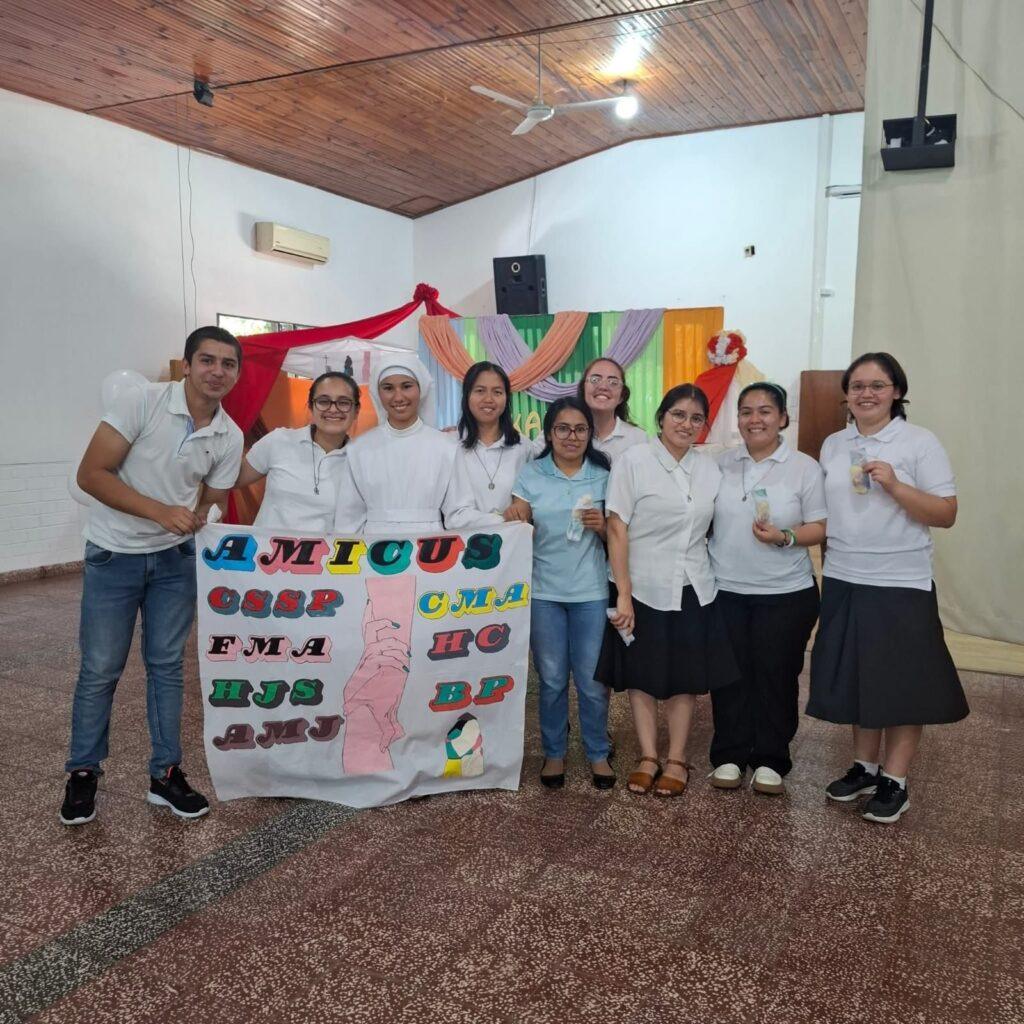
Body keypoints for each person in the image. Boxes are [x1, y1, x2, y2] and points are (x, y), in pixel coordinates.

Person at [60, 326, 244, 826]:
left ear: (237, 374)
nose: (217, 371)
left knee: (166, 667)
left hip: (173, 562)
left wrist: (203, 516)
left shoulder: (229, 435)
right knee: (100, 668)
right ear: (188, 364)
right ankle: (82, 772)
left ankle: (165, 774)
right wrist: (160, 511)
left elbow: (213, 496)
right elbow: (90, 474)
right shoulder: (141, 402)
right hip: (113, 555)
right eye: (207, 360)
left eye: (228, 364)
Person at [807, 352, 967, 824]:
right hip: (844, 576)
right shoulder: (834, 444)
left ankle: (895, 780)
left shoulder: (919, 442)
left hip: (900, 581)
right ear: (846, 394)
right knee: (859, 676)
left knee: (902, 683)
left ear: (896, 391)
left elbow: (946, 513)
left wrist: (895, 485)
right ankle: (865, 767)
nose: (866, 394)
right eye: (857, 385)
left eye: (877, 385)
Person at [597, 384, 738, 797]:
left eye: (696, 418)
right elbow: (616, 527)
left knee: (685, 677)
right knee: (641, 674)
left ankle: (676, 758)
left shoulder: (709, 469)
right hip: (641, 585)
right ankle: (647, 756)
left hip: (694, 585)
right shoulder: (634, 461)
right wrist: (624, 594)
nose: (686, 424)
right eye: (678, 414)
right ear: (661, 417)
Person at [707, 383, 826, 795]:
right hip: (725, 590)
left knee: (776, 676)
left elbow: (820, 526)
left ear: (782, 418)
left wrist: (785, 537)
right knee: (729, 677)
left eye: (764, 411)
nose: (754, 419)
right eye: (746, 411)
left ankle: (771, 758)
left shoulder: (804, 467)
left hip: (785, 593)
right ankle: (729, 754)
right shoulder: (721, 463)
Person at [507, 397, 615, 790]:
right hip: (543, 592)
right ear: (549, 433)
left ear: (590, 433)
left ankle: (598, 751)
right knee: (551, 679)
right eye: (563, 429)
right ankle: (554, 751)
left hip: (591, 591)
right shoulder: (532, 474)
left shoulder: (604, 475)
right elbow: (516, 521)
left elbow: (622, 535)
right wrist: (515, 517)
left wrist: (602, 526)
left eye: (580, 429)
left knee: (591, 681)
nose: (572, 436)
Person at [334, 351, 500, 534]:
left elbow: (458, 515)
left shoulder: (446, 447)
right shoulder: (359, 449)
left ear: (421, 390)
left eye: (406, 386)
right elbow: (348, 521)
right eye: (388, 388)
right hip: (373, 545)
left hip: (429, 544)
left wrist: (505, 521)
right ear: (377, 393)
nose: (398, 397)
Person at [235, 371, 358, 532]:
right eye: (323, 401)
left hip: (325, 549)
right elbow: (229, 479)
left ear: (356, 410)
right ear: (311, 406)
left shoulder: (362, 461)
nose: (333, 409)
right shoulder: (279, 440)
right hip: (264, 547)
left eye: (344, 402)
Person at [453, 361, 531, 514]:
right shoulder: (451, 444)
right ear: (467, 395)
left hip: (511, 529)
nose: (488, 399)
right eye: (480, 391)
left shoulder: (523, 446)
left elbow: (531, 498)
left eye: (497, 392)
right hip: (464, 530)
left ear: (506, 398)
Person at [577, 356, 647, 460]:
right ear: (583, 390)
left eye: (613, 382)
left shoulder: (638, 438)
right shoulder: (566, 434)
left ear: (621, 396)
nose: (603, 387)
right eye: (595, 380)